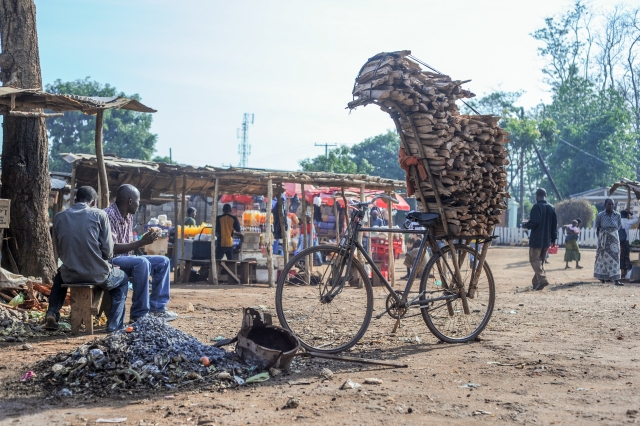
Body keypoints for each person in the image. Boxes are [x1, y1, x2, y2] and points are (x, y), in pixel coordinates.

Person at [45, 186, 129, 332]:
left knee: (59, 277)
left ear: (75, 200)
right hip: (97, 275)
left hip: (70, 274)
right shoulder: (100, 215)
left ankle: (52, 312)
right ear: (94, 202)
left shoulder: (59, 217)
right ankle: (114, 325)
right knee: (122, 279)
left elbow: (59, 249)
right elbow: (109, 251)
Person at [105, 184, 177, 322]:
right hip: (111, 261)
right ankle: (139, 314)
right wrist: (141, 242)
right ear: (130, 202)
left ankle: (157, 308)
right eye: (138, 201)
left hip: (126, 258)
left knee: (163, 261)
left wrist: (146, 238)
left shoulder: (128, 216)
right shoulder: (109, 215)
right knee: (141, 262)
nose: (139, 204)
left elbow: (129, 245)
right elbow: (111, 248)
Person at [523, 188, 557, 291]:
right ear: (545, 195)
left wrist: (526, 225)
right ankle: (536, 283)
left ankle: (542, 279)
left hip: (537, 239)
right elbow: (554, 226)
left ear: (537, 196)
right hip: (546, 239)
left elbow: (535, 222)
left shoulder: (536, 207)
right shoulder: (552, 208)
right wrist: (553, 239)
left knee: (534, 259)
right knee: (540, 261)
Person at [594, 198, 623, 286]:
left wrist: (612, 234)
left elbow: (618, 226)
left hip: (614, 238)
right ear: (605, 205)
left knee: (615, 257)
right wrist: (600, 239)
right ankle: (602, 278)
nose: (611, 206)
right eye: (609, 204)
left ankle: (616, 279)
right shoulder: (600, 215)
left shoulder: (617, 215)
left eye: (612, 204)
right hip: (603, 238)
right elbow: (598, 227)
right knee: (602, 257)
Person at [620, 210, 639, 279]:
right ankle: (624, 273)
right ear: (626, 215)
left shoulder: (618, 221)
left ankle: (621, 272)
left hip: (619, 242)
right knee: (626, 257)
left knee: (620, 257)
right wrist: (631, 213)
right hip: (626, 241)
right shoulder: (628, 222)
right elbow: (636, 219)